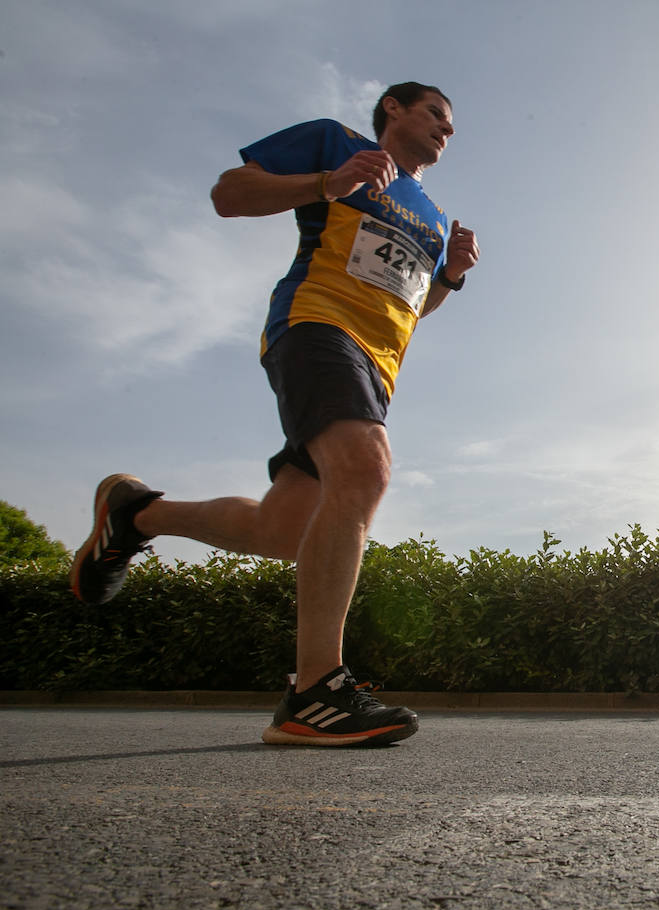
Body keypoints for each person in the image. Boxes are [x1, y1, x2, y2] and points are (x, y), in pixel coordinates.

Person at [69, 82, 480, 747]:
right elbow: (230, 195)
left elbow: (410, 308)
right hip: (317, 326)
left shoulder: (431, 217)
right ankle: (314, 691)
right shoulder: (336, 144)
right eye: (437, 113)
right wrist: (327, 181)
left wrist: (449, 278)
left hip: (375, 370)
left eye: (451, 122)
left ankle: (136, 514)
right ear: (394, 111)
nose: (447, 129)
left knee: (287, 530)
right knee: (365, 472)